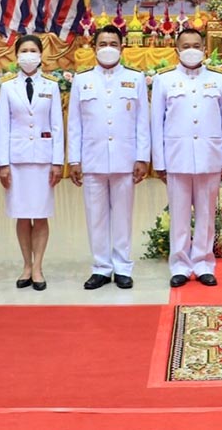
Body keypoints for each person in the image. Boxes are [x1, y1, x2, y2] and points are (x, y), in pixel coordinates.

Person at [67, 25, 150, 290]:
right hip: (92, 159)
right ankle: (101, 268)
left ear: (122, 47)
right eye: (102, 44)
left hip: (125, 160)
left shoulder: (135, 78)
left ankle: (123, 267)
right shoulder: (82, 80)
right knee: (96, 217)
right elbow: (75, 124)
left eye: (113, 44)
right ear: (94, 48)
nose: (108, 48)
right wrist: (74, 160)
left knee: (123, 216)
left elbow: (142, 122)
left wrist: (142, 157)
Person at [151, 28, 222, 287]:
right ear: (176, 49)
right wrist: (159, 162)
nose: (191, 50)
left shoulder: (218, 79)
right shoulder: (164, 79)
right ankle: (180, 265)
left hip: (210, 156)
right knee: (179, 214)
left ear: (205, 49)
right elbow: (157, 123)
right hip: (177, 158)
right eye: (185, 46)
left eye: (196, 45)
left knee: (206, 214)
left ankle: (203, 263)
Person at [0, 35, 64, 291]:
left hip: (43, 160)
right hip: (17, 160)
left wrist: (57, 162)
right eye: (23, 50)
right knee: (22, 216)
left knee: (41, 215)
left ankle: (38, 267)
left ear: (40, 55)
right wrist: (3, 164)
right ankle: (26, 265)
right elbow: (3, 127)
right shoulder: (7, 87)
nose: (28, 55)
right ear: (16, 55)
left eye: (33, 50)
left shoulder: (51, 86)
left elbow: (57, 126)